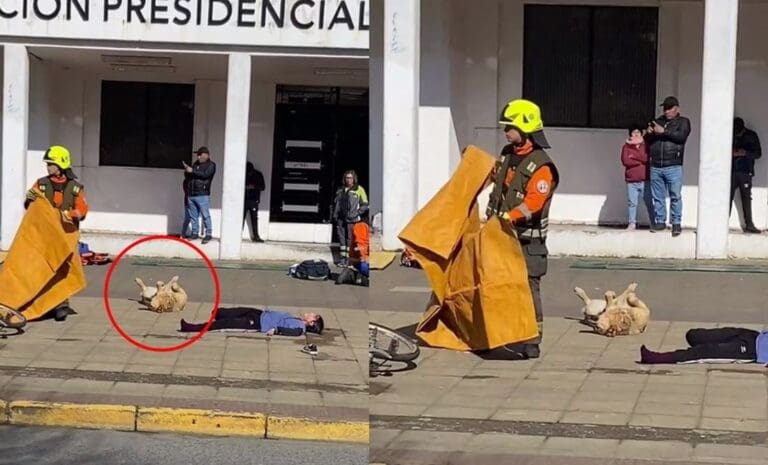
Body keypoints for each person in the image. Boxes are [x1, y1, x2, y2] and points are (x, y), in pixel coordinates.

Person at [486, 99, 560, 359]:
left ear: (525, 127)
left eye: (510, 126)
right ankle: (497, 334)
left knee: (529, 290)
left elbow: (534, 204)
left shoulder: (542, 166)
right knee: (495, 288)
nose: (506, 131)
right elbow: (494, 178)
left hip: (528, 244)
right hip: (500, 239)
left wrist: (511, 216)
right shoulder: (507, 154)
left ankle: (531, 341)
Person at [23, 145, 89, 321]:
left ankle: (61, 305)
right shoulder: (41, 185)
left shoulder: (75, 188)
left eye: (51, 164)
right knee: (41, 270)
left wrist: (67, 215)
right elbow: (30, 208)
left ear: (61, 164)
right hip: (44, 237)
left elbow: (82, 210)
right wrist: (29, 200)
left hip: (65, 237)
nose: (48, 167)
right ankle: (41, 303)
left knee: (63, 271)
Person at [645, 96, 691, 237]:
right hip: (656, 165)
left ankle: (676, 223)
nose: (666, 111)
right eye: (665, 108)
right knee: (657, 196)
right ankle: (660, 221)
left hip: (673, 165)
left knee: (675, 195)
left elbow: (681, 137)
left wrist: (663, 132)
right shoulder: (658, 121)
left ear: (677, 109)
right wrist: (649, 133)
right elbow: (647, 140)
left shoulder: (683, 122)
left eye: (669, 108)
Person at [640, 327, 768, 365]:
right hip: (753, 336)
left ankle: (656, 358)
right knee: (694, 335)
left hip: (753, 351)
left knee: (707, 351)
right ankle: (712, 345)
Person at [179, 308, 324, 336]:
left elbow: (291, 332)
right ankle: (219, 313)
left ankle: (191, 327)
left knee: (225, 324)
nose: (311, 313)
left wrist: (277, 331)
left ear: (311, 323)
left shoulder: (299, 328)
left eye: (313, 316)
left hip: (257, 324)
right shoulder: (298, 319)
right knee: (228, 312)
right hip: (259, 313)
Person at [731, 117, 762, 234]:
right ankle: (722, 222)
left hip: (745, 170)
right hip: (732, 171)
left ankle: (749, 224)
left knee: (746, 198)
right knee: (727, 197)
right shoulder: (730, 134)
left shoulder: (751, 136)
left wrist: (745, 153)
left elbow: (758, 153)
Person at [332, 170, 369, 266]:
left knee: (350, 240)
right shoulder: (340, 190)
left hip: (352, 219)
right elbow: (336, 204)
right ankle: (342, 260)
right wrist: (335, 215)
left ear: (354, 179)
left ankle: (349, 260)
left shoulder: (359, 189)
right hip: (340, 218)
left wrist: (356, 214)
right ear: (344, 179)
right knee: (342, 240)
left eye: (350, 178)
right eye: (347, 178)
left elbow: (365, 205)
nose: (349, 180)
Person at [183, 146, 216, 244]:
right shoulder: (195, 165)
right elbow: (189, 176)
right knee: (193, 216)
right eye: (197, 155)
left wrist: (192, 171)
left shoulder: (211, 165)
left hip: (202, 194)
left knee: (205, 215)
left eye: (200, 155)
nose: (198, 157)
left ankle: (208, 233)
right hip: (191, 194)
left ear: (206, 155)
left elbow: (205, 175)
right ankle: (194, 232)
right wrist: (187, 170)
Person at [621, 125, 651, 230]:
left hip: (644, 179)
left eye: (638, 132)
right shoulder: (626, 146)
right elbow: (626, 161)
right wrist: (640, 162)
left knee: (648, 201)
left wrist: (633, 156)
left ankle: (653, 221)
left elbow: (646, 158)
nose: (636, 134)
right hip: (631, 180)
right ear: (630, 134)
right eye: (634, 132)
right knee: (632, 203)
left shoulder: (645, 145)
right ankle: (632, 223)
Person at [244, 162, 266, 242]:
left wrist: (253, 186)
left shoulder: (258, 175)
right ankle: (238, 235)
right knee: (241, 218)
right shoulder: (242, 173)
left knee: (254, 218)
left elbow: (263, 187)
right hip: (244, 199)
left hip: (253, 199)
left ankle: (256, 236)